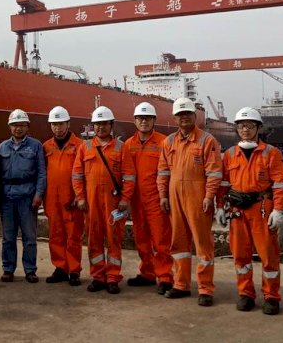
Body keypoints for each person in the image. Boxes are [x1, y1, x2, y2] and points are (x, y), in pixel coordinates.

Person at [216, 107, 283, 315]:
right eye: (241, 126)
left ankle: (271, 297)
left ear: (258, 128)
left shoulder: (271, 153)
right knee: (240, 255)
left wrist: (279, 210)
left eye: (249, 126)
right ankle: (245, 294)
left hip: (262, 208)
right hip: (237, 210)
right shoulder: (229, 154)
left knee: (268, 255)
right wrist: (220, 207)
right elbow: (223, 183)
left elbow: (280, 184)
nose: (245, 130)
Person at [157, 97, 222, 306]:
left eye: (187, 114)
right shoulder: (168, 142)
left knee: (203, 244)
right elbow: (163, 171)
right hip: (174, 196)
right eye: (180, 114)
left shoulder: (207, 140)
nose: (184, 117)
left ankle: (205, 289)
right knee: (179, 242)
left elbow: (214, 173)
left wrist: (209, 196)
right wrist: (163, 195)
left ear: (195, 116)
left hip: (198, 197)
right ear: (175, 118)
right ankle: (181, 284)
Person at [72, 106, 126, 294]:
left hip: (113, 203)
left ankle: (112, 277)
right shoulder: (84, 147)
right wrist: (80, 197)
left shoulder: (121, 147)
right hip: (91, 202)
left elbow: (129, 177)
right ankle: (98, 276)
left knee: (114, 240)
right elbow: (77, 175)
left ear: (111, 125)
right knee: (93, 239)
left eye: (104, 124)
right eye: (97, 124)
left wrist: (125, 199)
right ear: (92, 126)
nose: (101, 127)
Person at [121, 102, 174, 294]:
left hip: (157, 199)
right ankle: (147, 273)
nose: (144, 122)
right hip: (136, 200)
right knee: (141, 239)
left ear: (154, 121)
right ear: (135, 121)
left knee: (161, 240)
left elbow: (171, 171)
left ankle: (166, 276)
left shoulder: (164, 142)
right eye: (140, 118)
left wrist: (166, 196)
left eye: (148, 118)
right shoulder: (128, 145)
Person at [0, 109, 47, 283]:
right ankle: (8, 269)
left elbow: (41, 173)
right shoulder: (2, 147)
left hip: (27, 197)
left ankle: (30, 270)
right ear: (10, 127)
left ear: (27, 127)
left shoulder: (35, 146)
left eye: (22, 125)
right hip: (7, 198)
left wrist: (38, 194)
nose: (18, 128)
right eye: (15, 125)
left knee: (30, 237)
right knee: (8, 237)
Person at [42, 106, 84, 286]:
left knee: (73, 236)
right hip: (52, 199)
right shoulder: (46, 147)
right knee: (55, 235)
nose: (58, 128)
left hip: (72, 199)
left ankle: (74, 270)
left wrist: (79, 196)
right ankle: (60, 267)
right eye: (54, 124)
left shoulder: (80, 145)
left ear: (68, 124)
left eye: (61, 124)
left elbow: (85, 173)